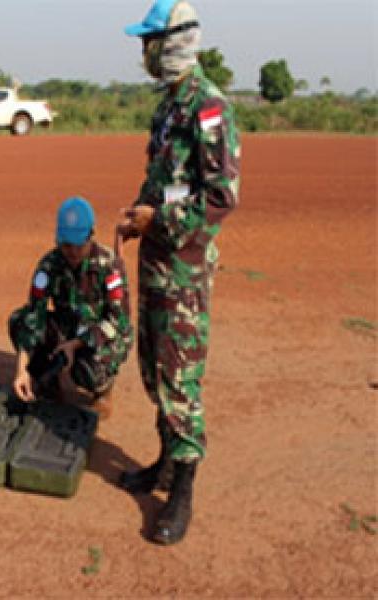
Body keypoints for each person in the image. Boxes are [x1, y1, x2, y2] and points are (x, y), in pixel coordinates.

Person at [117, 0, 240, 545]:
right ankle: (165, 463)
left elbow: (221, 197)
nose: (144, 52)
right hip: (156, 259)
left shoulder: (207, 107)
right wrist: (137, 217)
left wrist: (159, 220)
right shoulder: (169, 106)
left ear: (173, 43)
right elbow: (161, 179)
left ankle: (183, 489)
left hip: (183, 270)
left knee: (179, 376)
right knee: (154, 368)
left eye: (149, 41)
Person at [9, 197, 133, 419]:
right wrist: (22, 370)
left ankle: (103, 391)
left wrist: (75, 345)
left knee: (91, 370)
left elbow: (118, 321)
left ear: (91, 236)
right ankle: (49, 384)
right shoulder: (49, 266)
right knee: (18, 321)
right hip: (67, 326)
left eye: (79, 245)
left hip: (99, 331)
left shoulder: (109, 266)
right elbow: (33, 317)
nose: (73, 252)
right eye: (67, 245)